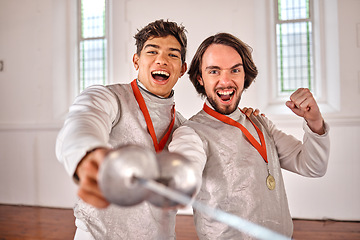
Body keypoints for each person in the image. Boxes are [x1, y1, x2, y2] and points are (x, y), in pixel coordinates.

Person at [168, 33, 330, 239]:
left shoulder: (260, 124)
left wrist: (314, 122)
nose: (225, 81)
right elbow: (186, 168)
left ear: (245, 75)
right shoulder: (191, 132)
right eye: (214, 71)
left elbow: (313, 166)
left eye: (235, 70)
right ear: (200, 78)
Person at [56, 19, 190, 240]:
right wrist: (87, 154)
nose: (161, 60)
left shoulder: (182, 127)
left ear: (182, 69)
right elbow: (83, 119)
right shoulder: (109, 97)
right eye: (152, 51)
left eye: (173, 55)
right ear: (136, 61)